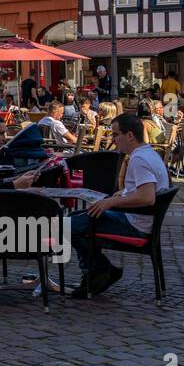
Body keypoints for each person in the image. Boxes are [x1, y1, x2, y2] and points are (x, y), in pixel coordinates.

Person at [69, 112, 164, 299]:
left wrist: (111, 201)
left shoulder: (138, 159)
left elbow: (147, 197)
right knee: (77, 218)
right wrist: (125, 193)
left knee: (66, 226)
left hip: (135, 225)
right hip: (140, 219)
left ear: (130, 135)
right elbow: (146, 190)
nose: (113, 140)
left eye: (115, 135)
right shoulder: (149, 153)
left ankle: (98, 271)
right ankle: (96, 271)